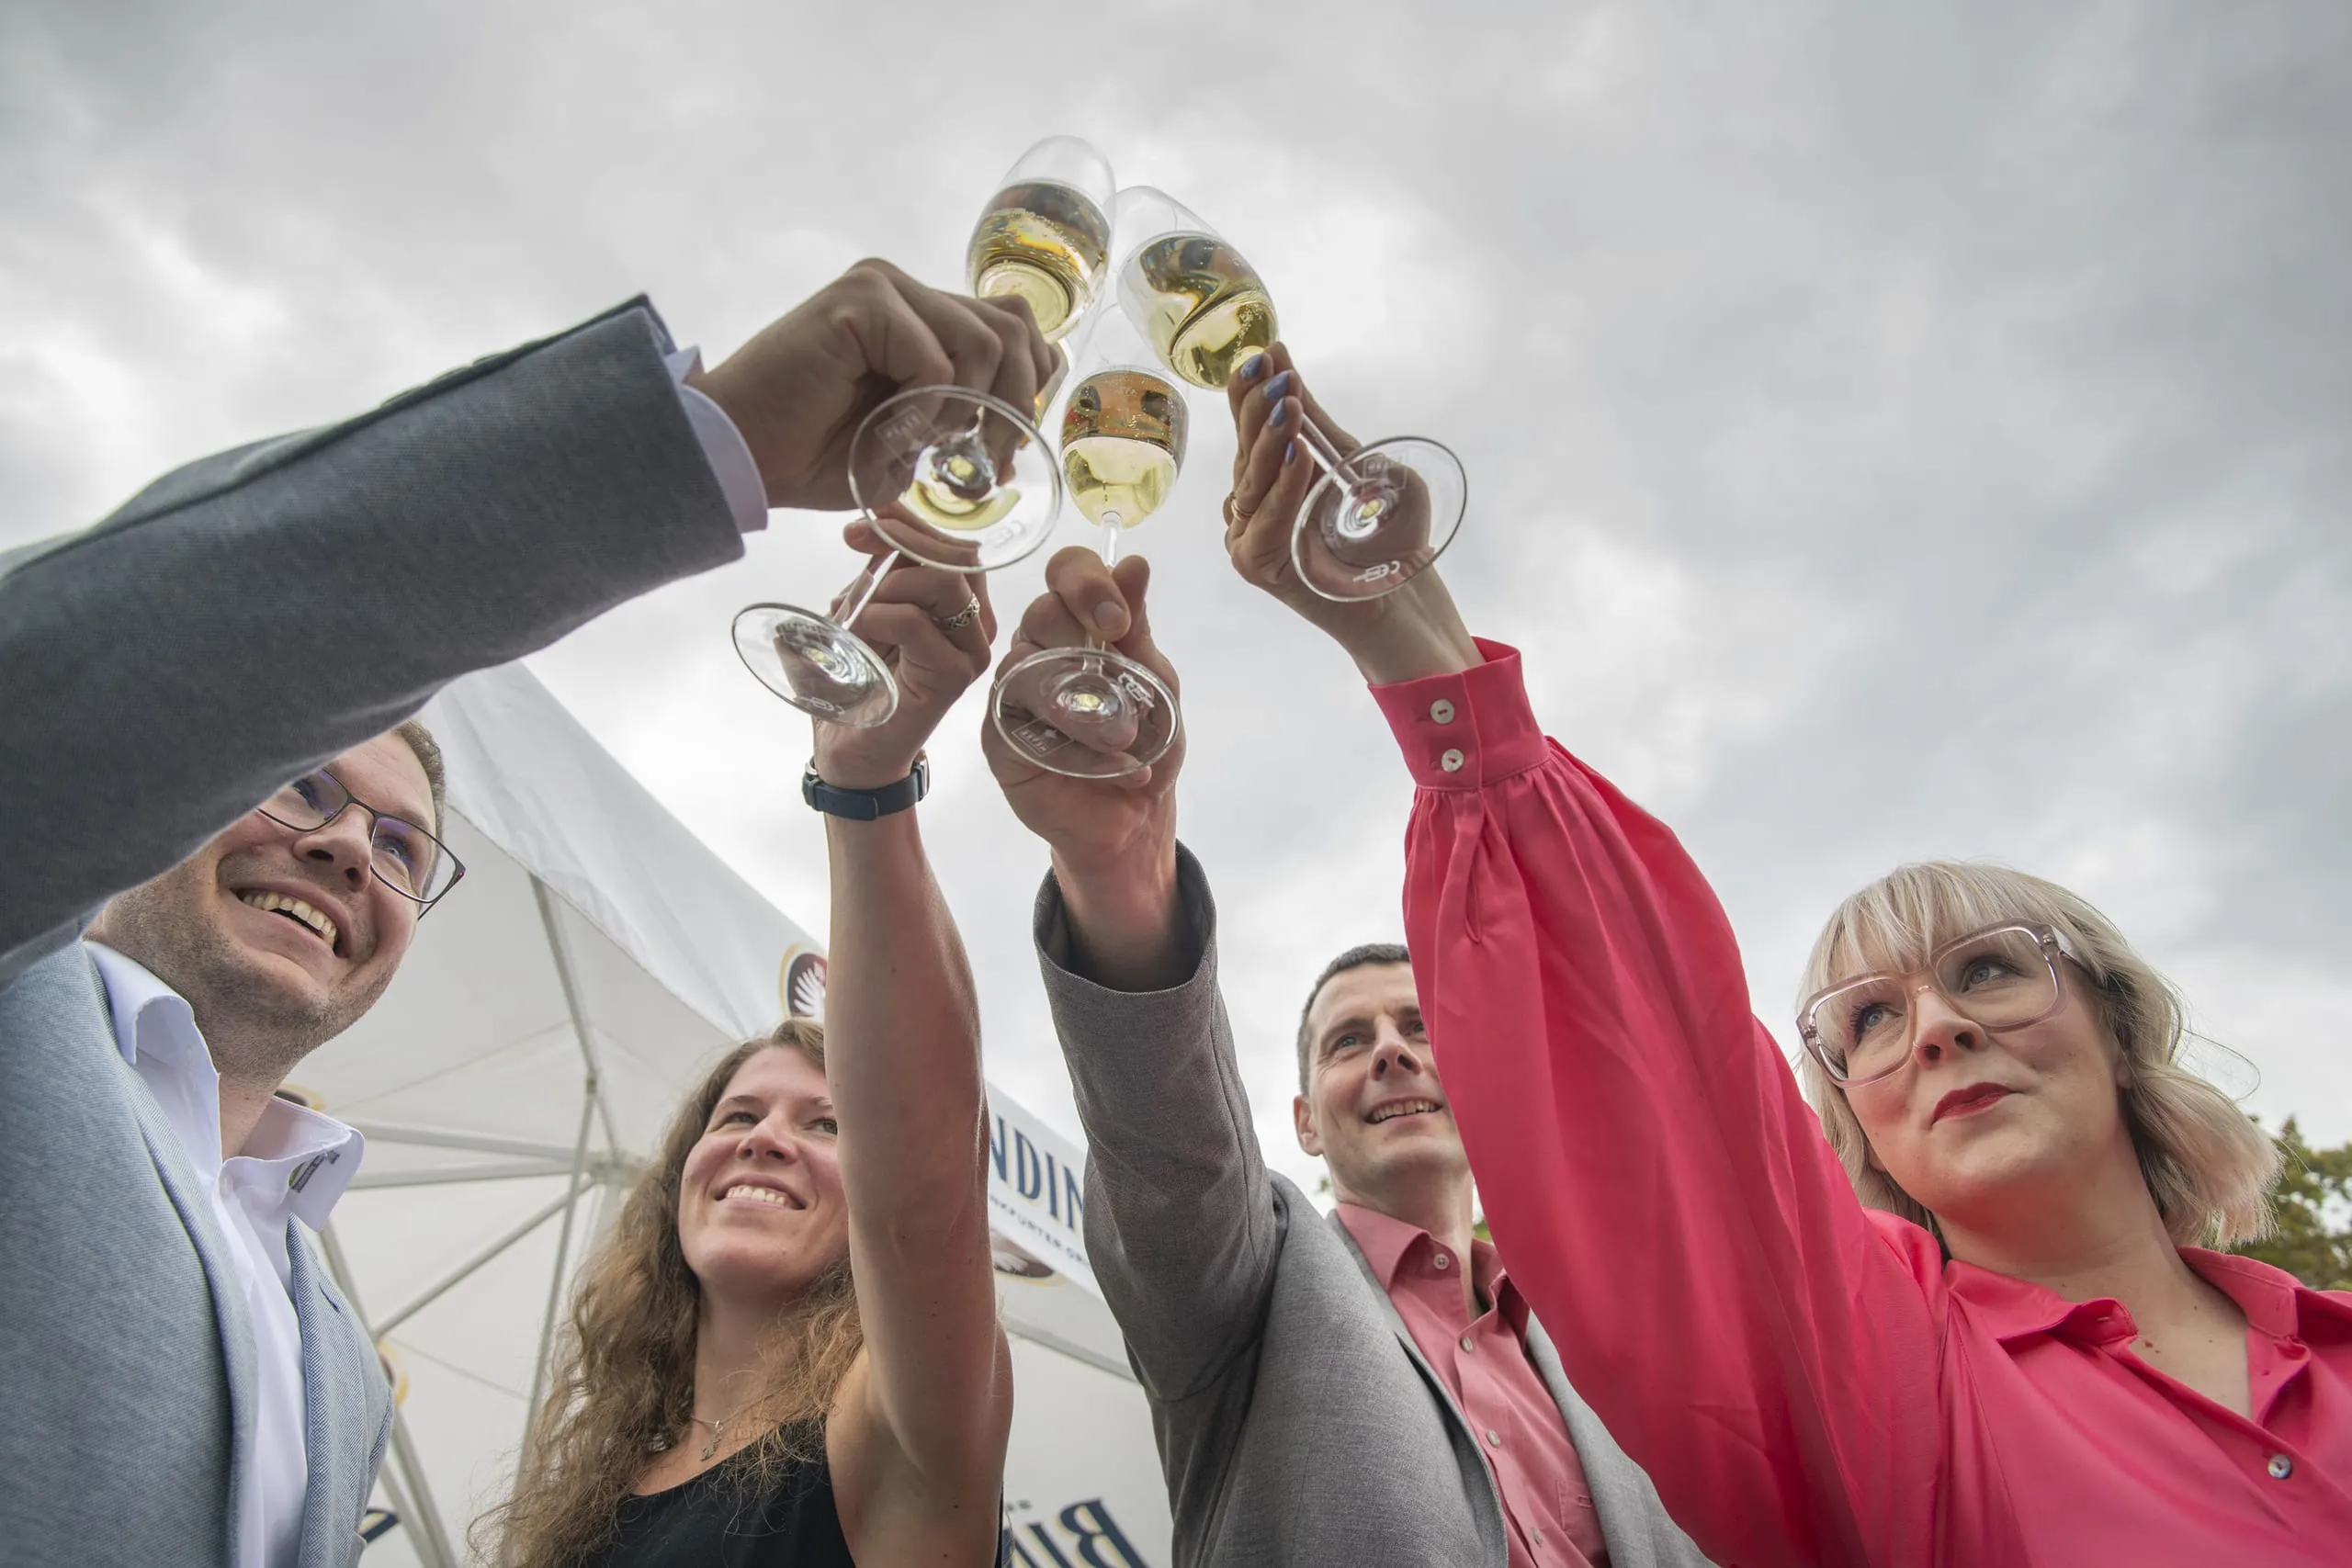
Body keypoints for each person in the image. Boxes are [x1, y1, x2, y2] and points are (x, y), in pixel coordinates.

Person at [1217, 344, 2352, 1566]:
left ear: (2117, 1024)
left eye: (1986, 970)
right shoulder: (1885, 1373)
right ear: (1852, 1122)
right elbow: (1656, 1059)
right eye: (1867, 1019)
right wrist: (1411, 635)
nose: (1934, 1027)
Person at [0, 261, 1055, 1568]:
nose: (343, 845)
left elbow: (924, 1197)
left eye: (400, 845)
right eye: (303, 779)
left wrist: (869, 777)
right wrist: (690, 441)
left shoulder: (330, 1352)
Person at [979, 547, 1712, 1567]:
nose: (1393, 1057)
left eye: (1421, 1032)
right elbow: (1169, 1149)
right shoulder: (1249, 1283)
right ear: (1304, 1122)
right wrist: (1120, 873)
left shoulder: (1596, 1344)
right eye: (1348, 1041)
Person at [483, 531, 1012, 1566]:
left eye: (828, 1125)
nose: (765, 1141)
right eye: (737, 1116)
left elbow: (928, 1177)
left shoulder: (897, 1447)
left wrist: (863, 781)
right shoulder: (587, 1503)